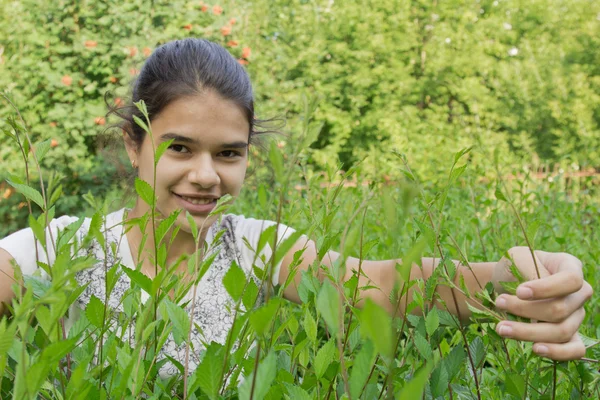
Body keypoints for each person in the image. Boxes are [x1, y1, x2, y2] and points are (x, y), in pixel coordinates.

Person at [0, 39, 593, 378]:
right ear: (135, 144)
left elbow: (379, 287)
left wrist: (518, 278)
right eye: (179, 147)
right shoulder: (62, 248)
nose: (206, 176)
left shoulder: (254, 246)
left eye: (229, 153)